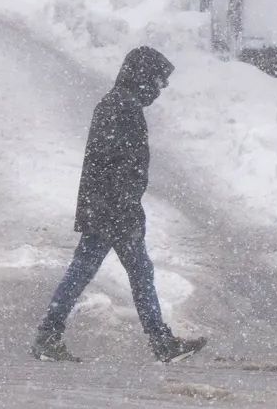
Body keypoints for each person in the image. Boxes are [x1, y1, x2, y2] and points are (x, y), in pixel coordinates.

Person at [31, 46, 207, 363]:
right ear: (141, 77)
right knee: (132, 274)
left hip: (106, 208)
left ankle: (50, 333)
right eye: (157, 81)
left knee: (100, 271)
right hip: (114, 211)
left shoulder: (117, 104)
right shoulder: (122, 109)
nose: (158, 89)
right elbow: (117, 165)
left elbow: (112, 165)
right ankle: (159, 342)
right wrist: (123, 207)